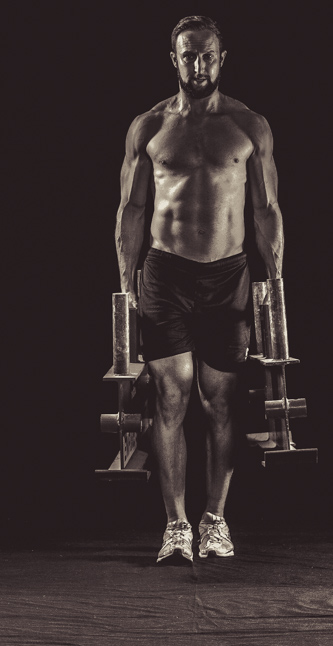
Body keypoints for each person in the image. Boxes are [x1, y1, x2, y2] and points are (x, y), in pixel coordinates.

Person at [115, 16, 284, 562]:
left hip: (228, 275)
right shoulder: (149, 126)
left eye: (207, 54)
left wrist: (275, 281)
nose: (198, 64)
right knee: (170, 394)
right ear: (175, 59)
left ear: (221, 57)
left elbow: (266, 209)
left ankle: (215, 519)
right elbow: (131, 208)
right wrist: (126, 284)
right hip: (164, 273)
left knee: (221, 401)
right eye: (188, 54)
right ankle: (176, 525)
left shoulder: (249, 125)